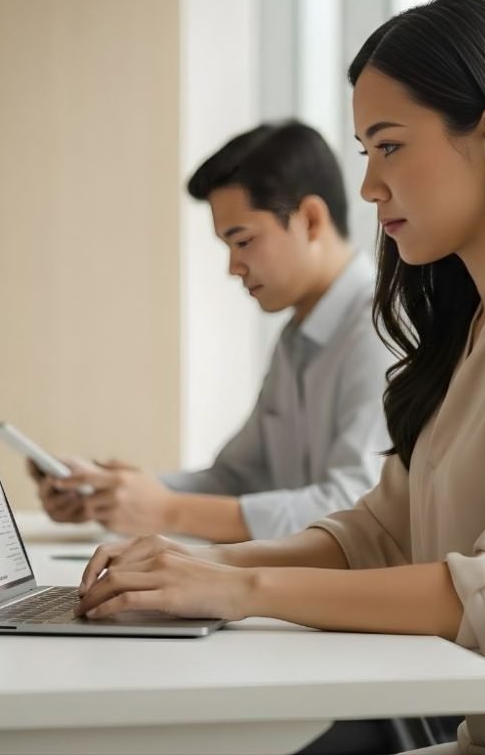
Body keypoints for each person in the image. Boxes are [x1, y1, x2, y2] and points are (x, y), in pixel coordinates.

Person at [71, 0, 485, 754]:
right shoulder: (477, 325)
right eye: (365, 151)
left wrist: (235, 588)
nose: (368, 186)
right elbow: (381, 533)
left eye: (389, 146)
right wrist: (193, 568)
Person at [31, 121, 395, 543]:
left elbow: (355, 508)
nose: (233, 268)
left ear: (310, 220)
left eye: (242, 242)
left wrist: (167, 510)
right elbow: (237, 479)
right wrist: (115, 496)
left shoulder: (378, 330)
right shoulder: (298, 338)